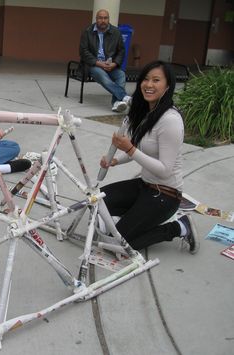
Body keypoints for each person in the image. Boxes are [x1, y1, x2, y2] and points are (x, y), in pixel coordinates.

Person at [99, 60, 199, 253]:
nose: (149, 85)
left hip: (166, 195)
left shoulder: (170, 120)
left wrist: (129, 149)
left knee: (115, 245)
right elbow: (140, 149)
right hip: (144, 186)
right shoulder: (147, 112)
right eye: (146, 79)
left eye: (156, 80)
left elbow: (164, 169)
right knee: (98, 203)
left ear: (167, 86)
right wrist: (115, 160)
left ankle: (179, 227)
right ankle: (132, 219)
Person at [79, 9, 131, 112]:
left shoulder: (116, 32)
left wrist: (115, 63)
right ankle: (124, 97)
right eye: (100, 18)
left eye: (105, 18)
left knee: (121, 74)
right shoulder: (87, 31)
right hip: (93, 65)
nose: (103, 20)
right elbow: (83, 51)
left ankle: (116, 103)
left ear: (108, 19)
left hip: (110, 65)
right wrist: (99, 63)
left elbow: (121, 51)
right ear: (96, 19)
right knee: (101, 74)